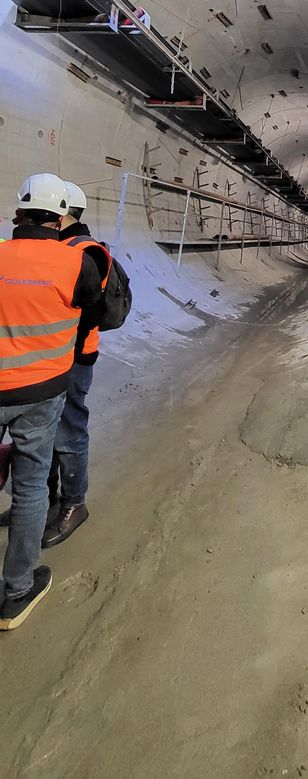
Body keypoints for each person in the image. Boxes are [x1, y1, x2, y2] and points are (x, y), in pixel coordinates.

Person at [0, 174, 102, 629]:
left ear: (18, 214)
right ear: (60, 216)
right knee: (30, 487)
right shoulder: (75, 263)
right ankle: (18, 590)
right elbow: (97, 313)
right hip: (43, 391)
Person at [42, 182, 111, 549]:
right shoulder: (60, 248)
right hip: (50, 357)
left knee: (68, 430)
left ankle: (74, 503)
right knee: (45, 430)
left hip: (74, 357)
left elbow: (89, 310)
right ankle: (47, 498)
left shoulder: (87, 251)